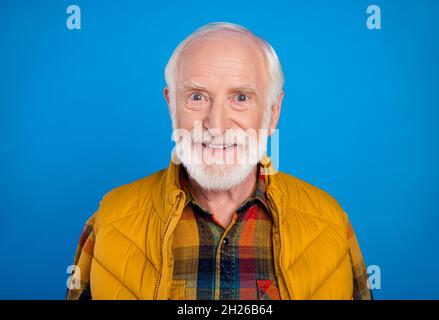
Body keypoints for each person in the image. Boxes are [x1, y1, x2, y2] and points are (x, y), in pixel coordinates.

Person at [66, 22, 372, 300]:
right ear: (171, 105)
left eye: (241, 98)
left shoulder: (330, 222)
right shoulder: (111, 220)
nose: (216, 125)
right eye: (197, 97)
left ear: (273, 112)